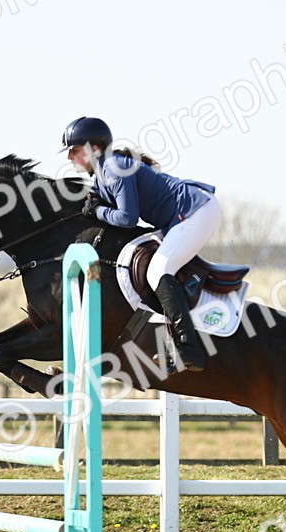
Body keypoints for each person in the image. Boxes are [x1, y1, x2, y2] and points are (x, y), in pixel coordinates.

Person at [60, 116, 218, 372]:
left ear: (95, 148)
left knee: (158, 270)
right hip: (181, 217)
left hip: (194, 211)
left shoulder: (113, 168)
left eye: (74, 150)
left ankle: (188, 348)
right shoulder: (102, 175)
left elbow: (127, 217)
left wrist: (98, 211)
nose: (69, 157)